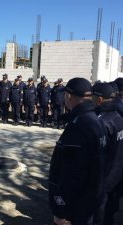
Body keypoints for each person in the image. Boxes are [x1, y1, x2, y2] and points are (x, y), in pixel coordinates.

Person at [49, 77, 106, 225]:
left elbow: (70, 174)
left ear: (68, 96)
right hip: (90, 200)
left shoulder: (78, 126)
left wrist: (60, 210)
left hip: (75, 208)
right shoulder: (96, 120)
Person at [91, 82, 123, 225]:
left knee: (99, 216)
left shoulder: (101, 122)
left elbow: (94, 156)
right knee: (110, 214)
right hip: (117, 177)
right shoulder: (119, 118)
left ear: (99, 99)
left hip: (102, 180)